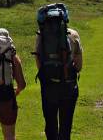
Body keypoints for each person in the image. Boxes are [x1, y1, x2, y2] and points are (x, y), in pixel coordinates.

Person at [34, 10, 83, 140]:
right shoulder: (74, 35)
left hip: (49, 86)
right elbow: (79, 66)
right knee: (65, 126)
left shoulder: (41, 35)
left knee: (50, 124)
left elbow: (39, 63)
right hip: (69, 86)